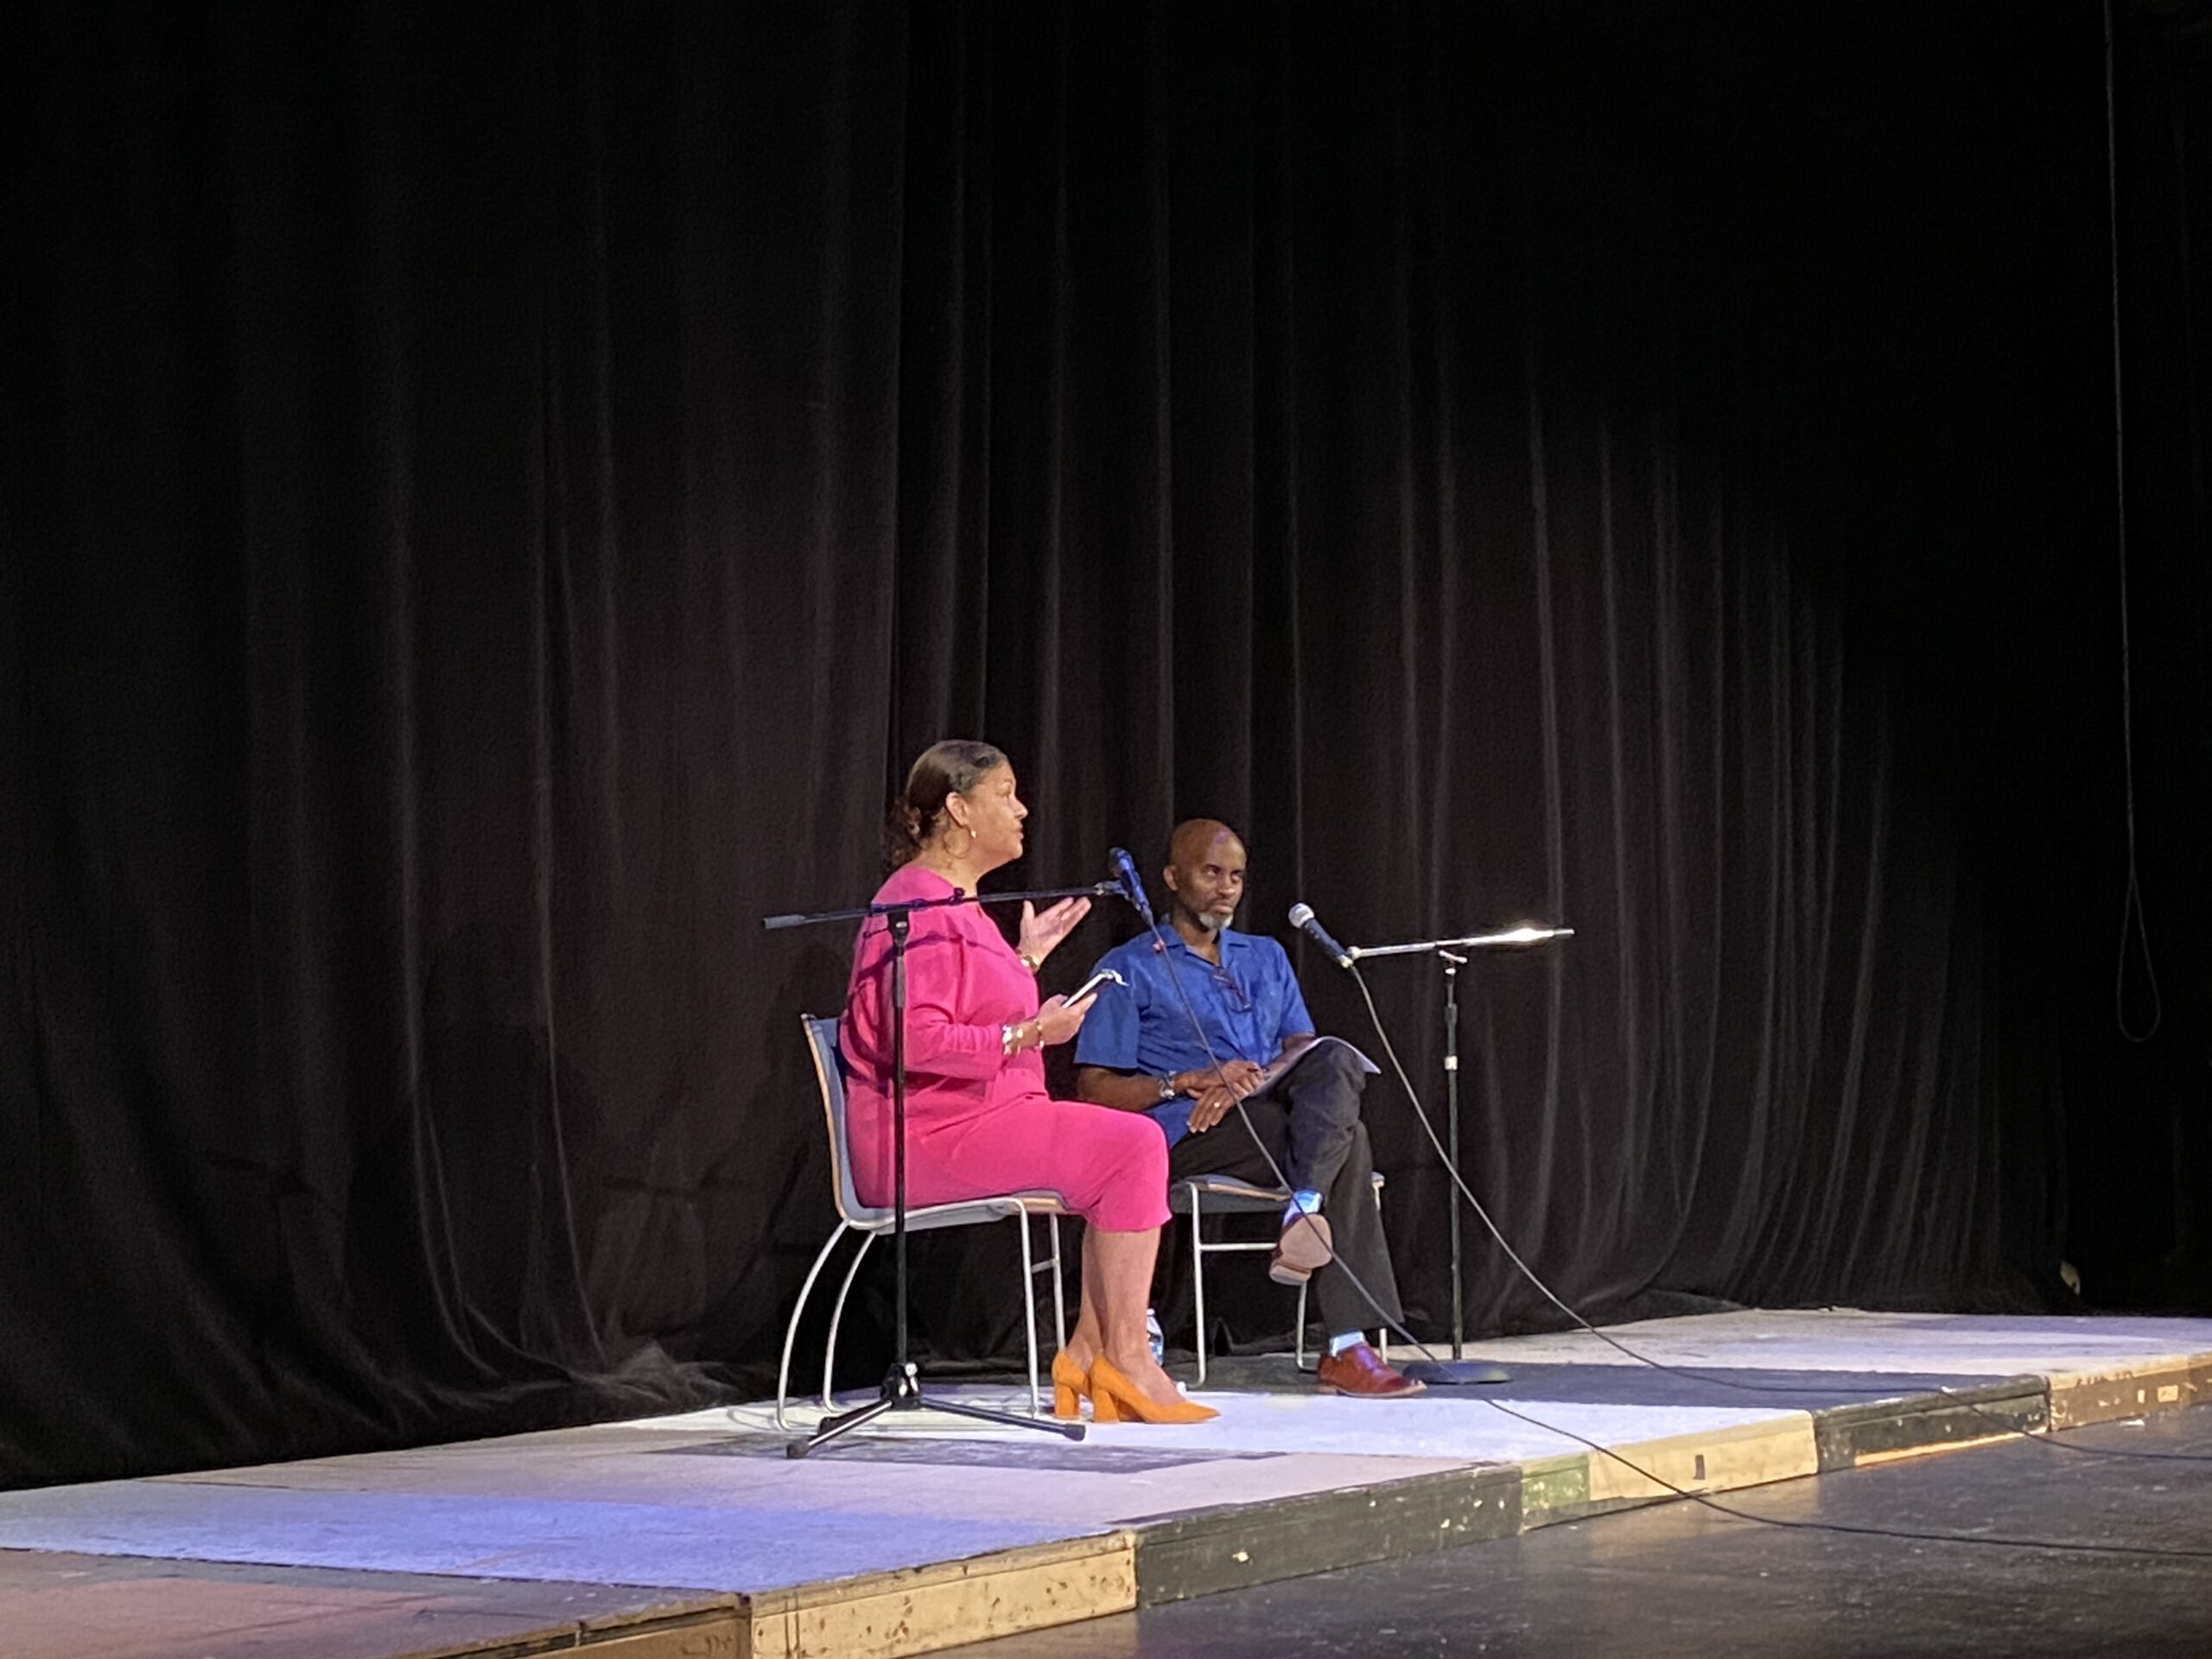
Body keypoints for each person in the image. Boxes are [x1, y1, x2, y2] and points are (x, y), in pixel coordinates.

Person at [841, 741, 1214, 1425]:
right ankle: (1124, 1357)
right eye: (1005, 793)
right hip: (924, 1134)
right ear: (957, 810)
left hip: (974, 1117)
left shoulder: (956, 903)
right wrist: (1030, 1034)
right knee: (1130, 1146)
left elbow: (965, 1005)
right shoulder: (915, 904)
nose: (1023, 809)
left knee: (1123, 1151)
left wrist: (1024, 958)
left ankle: (1089, 1353)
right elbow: (913, 1039)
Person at [1074, 819, 1423, 1398]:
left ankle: (1304, 1210)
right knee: (1349, 1138)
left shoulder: (1266, 956)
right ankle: (1346, 1344)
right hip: (1185, 1131)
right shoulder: (1130, 967)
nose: (1226, 887)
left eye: (1236, 876)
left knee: (1334, 1061)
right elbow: (1095, 1087)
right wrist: (1189, 1081)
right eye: (1211, 872)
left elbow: (1298, 1047)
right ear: (1172, 878)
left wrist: (1248, 1082)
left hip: (1267, 1109)